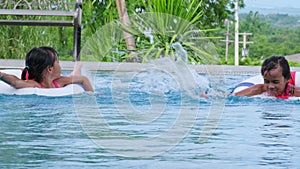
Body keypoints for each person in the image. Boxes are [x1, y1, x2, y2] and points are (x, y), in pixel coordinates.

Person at [0, 46, 93, 92]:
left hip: (62, 80)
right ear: (49, 69)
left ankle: (77, 67)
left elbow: (83, 79)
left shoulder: (59, 81)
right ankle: (76, 69)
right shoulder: (35, 84)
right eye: (58, 62)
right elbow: (16, 82)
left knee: (74, 76)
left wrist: (91, 94)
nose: (60, 66)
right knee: (72, 76)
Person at [234, 56, 300, 99]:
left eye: (275, 82)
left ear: (287, 79)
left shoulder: (295, 92)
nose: (271, 86)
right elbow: (233, 97)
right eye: (267, 81)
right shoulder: (258, 89)